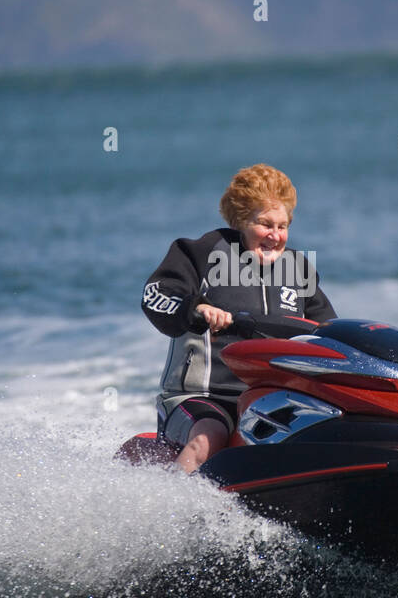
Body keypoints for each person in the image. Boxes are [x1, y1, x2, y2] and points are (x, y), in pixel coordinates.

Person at [141, 164, 337, 472]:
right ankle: (172, 512)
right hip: (199, 400)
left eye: (282, 226)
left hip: (269, 401)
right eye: (265, 224)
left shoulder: (297, 270)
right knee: (210, 434)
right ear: (241, 220)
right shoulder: (202, 253)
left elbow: (329, 332)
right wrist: (195, 309)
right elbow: (156, 295)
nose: (275, 236)